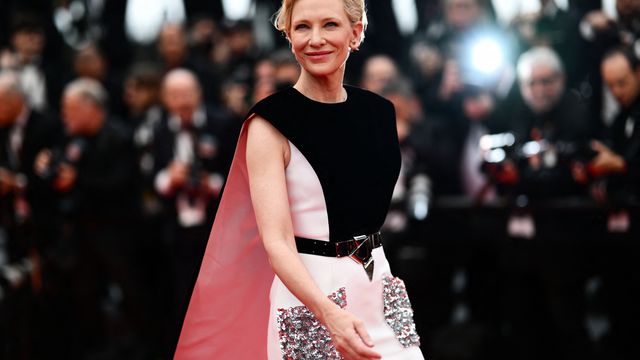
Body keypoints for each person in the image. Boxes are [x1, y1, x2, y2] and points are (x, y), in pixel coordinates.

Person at [174, 0, 424, 359]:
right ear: (288, 35)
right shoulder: (269, 123)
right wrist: (328, 314)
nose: (316, 39)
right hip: (309, 304)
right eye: (303, 27)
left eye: (330, 25)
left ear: (356, 33)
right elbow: (275, 243)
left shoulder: (380, 112)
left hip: (380, 294)